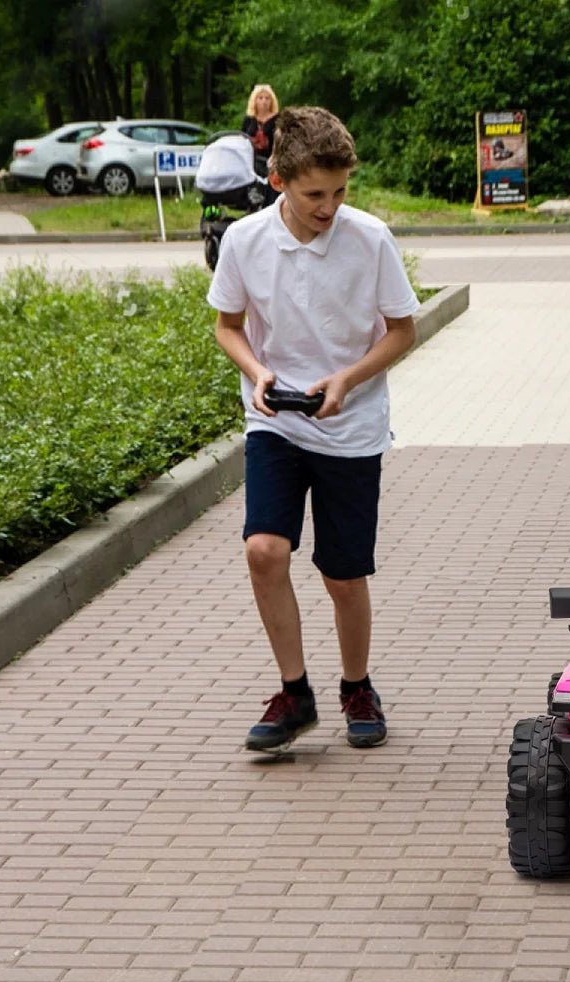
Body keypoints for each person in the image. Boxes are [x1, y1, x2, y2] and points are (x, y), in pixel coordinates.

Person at [207, 106, 419, 753]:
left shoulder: (370, 239)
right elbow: (227, 326)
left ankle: (357, 685)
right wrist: (257, 372)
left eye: (339, 192)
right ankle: (294, 694)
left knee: (342, 575)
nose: (329, 207)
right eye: (314, 195)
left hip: (350, 425)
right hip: (275, 421)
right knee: (264, 550)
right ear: (279, 181)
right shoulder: (243, 241)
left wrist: (347, 380)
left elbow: (403, 331)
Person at [241, 84, 279, 175]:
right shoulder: (248, 120)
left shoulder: (278, 119)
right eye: (260, 98)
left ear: (272, 101)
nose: (264, 101)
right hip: (251, 162)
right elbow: (242, 140)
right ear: (254, 101)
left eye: (267, 98)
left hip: (271, 162)